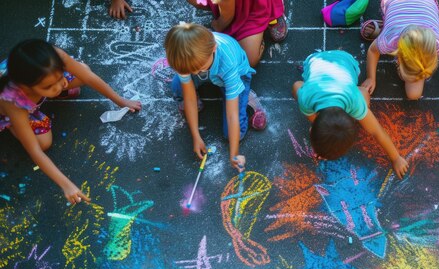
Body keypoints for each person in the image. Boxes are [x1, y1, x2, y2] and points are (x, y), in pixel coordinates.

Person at [0, 39, 141, 204]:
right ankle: (15, 126)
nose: (59, 86)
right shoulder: (13, 102)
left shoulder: (54, 58)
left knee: (83, 70)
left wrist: (120, 101)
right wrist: (66, 184)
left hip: (32, 84)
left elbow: (87, 76)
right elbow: (35, 151)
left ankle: (45, 95)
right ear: (26, 87)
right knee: (43, 143)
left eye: (60, 78)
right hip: (15, 111)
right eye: (49, 86)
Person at [292, 50, 409, 178]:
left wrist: (396, 157)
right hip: (316, 61)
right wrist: (315, 125)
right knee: (299, 89)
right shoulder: (306, 98)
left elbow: (377, 131)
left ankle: (361, 90)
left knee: (364, 95)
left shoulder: (354, 101)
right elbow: (296, 85)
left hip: (345, 61)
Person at [165, 22, 264, 171]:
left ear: (213, 49)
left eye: (198, 68)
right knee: (177, 86)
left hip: (235, 74)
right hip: (212, 71)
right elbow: (189, 98)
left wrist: (234, 154)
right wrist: (196, 136)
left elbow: (232, 115)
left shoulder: (227, 62)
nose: (196, 72)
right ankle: (212, 83)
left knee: (233, 135)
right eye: (192, 71)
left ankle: (246, 97)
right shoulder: (183, 59)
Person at [361, 0, 439, 101]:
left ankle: (386, 26)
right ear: (398, 58)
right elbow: (373, 50)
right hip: (395, 5)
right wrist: (371, 78)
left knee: (413, 93)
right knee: (413, 93)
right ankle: (385, 27)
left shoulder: (438, 42)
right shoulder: (390, 40)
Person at [186, 0, 288, 67]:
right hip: (230, 4)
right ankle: (217, 7)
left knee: (248, 60)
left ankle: (271, 9)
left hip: (253, 6)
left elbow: (227, 18)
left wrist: (218, 25)